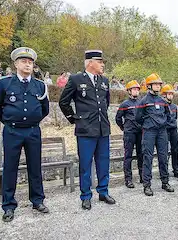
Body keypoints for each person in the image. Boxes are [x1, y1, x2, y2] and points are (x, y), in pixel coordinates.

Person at [0, 47, 50, 222]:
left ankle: (37, 200)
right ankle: (8, 206)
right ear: (16, 64)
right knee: (10, 168)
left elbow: (44, 109)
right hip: (12, 131)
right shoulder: (4, 83)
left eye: (30, 62)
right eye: (24, 61)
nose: (28, 65)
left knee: (35, 167)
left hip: (32, 131)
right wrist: (9, 121)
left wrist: (32, 120)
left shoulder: (40, 85)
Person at [59, 50, 115, 210]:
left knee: (103, 162)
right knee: (85, 164)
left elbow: (106, 102)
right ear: (90, 62)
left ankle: (103, 192)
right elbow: (64, 102)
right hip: (85, 130)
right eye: (100, 61)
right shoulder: (76, 79)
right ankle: (85, 196)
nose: (103, 64)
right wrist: (74, 119)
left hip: (103, 129)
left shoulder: (104, 81)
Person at [135, 73, 174, 196]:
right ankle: (147, 185)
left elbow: (168, 115)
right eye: (155, 84)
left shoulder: (162, 101)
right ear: (149, 86)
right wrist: (148, 125)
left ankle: (165, 182)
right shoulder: (143, 101)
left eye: (159, 84)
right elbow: (138, 118)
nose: (158, 86)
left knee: (163, 157)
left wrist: (163, 124)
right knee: (148, 157)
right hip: (149, 132)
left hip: (162, 132)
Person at [115, 80, 143, 188]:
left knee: (141, 155)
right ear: (129, 91)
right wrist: (124, 127)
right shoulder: (124, 104)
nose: (136, 91)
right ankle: (128, 179)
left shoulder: (141, 103)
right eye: (134, 89)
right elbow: (118, 118)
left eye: (137, 89)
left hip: (140, 133)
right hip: (129, 133)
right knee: (128, 156)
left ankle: (142, 176)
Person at [160, 84, 178, 179]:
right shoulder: (161, 106)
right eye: (169, 94)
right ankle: (164, 171)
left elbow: (175, 118)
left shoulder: (174, 107)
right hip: (164, 130)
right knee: (164, 151)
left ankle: (176, 170)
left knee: (175, 150)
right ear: (164, 94)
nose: (171, 96)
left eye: (172, 94)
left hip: (173, 130)